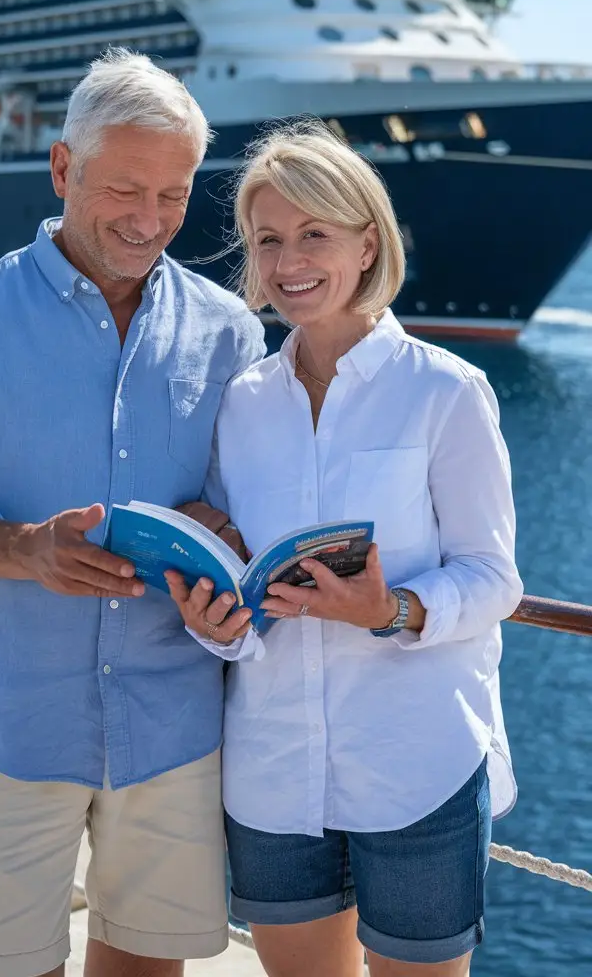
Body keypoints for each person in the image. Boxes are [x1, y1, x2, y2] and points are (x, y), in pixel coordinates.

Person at [0, 49, 265, 977]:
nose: (149, 221)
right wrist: (22, 548)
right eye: (125, 190)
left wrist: (227, 543)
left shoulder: (230, 330)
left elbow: (247, 517)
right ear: (62, 170)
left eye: (172, 197)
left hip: (174, 734)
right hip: (13, 731)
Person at [166, 120, 523, 977]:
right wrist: (217, 620)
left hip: (417, 767)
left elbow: (494, 576)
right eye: (269, 240)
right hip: (273, 770)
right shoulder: (241, 401)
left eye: (314, 235)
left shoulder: (447, 391)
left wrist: (391, 609)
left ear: (368, 243)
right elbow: (245, 586)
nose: (290, 261)